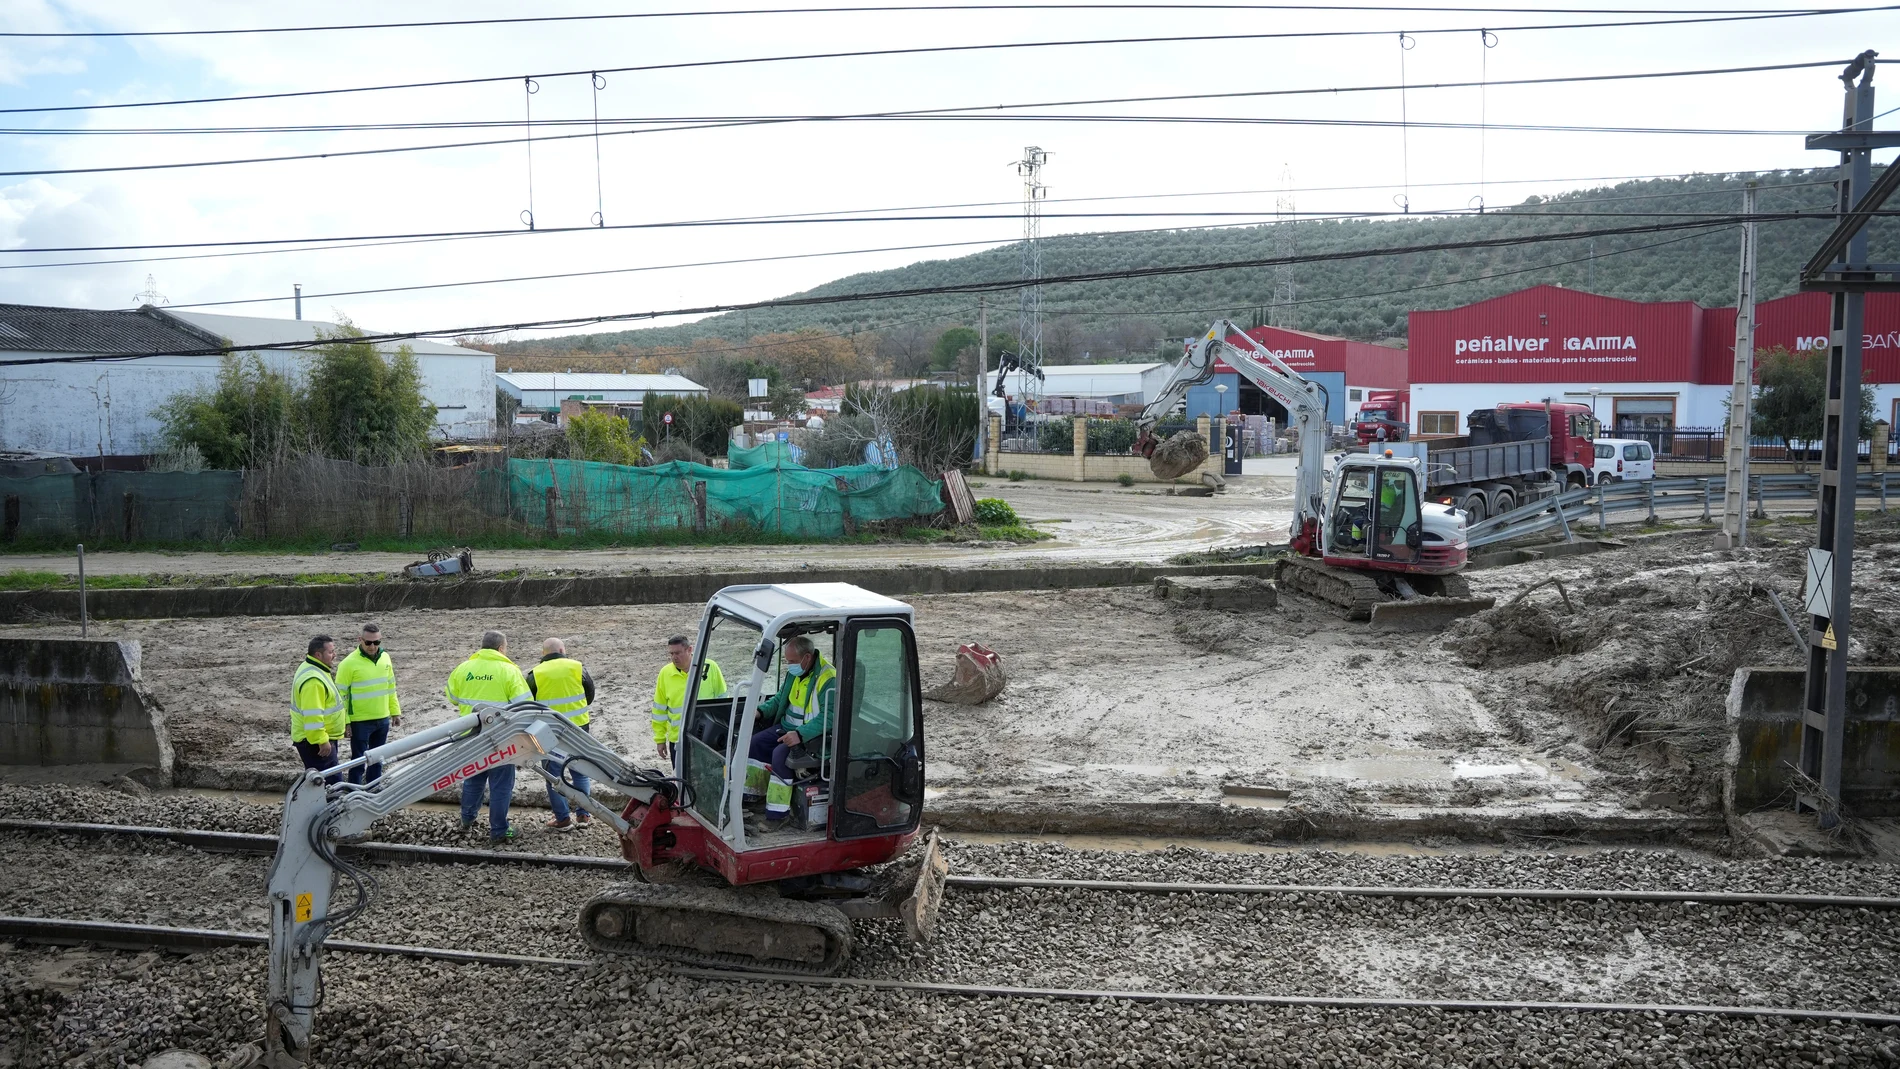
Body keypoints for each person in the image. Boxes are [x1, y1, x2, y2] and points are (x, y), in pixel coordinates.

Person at [445, 630, 532, 844]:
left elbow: (453, 697)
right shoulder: (509, 671)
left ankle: (467, 820)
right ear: (501, 648)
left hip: (470, 736)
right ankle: (499, 830)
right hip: (500, 738)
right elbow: (524, 704)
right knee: (501, 785)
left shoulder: (463, 668)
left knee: (473, 778)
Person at [744, 635, 836, 833]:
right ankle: (755, 797)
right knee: (755, 743)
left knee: (780, 754)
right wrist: (760, 711)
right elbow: (779, 699)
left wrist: (800, 735)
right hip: (787, 728)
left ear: (807, 657)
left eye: (792, 661)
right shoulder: (796, 672)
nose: (789, 665)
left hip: (812, 738)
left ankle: (778, 815)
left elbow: (830, 717)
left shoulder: (828, 679)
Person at [525, 637, 597, 832]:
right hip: (579, 728)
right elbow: (590, 695)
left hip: (548, 730)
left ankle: (563, 819)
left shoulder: (535, 674)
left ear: (543, 653)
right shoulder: (578, 667)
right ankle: (584, 814)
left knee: (553, 774)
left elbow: (526, 703)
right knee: (580, 772)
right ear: (563, 650)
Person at [335, 622, 401, 786]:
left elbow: (390, 687)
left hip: (382, 719)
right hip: (360, 722)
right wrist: (346, 721)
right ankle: (354, 793)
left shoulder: (385, 658)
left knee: (377, 760)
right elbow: (340, 696)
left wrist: (395, 711)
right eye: (368, 642)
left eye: (376, 642)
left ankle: (373, 792)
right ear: (360, 640)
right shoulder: (348, 664)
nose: (372, 646)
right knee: (358, 762)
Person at [651, 633, 727, 763]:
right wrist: (660, 739)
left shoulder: (711, 668)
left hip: (707, 738)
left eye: (678, 653)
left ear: (690, 650)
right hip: (678, 740)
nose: (674, 657)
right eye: (671, 654)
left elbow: (723, 699)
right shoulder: (665, 673)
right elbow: (659, 710)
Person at [290, 634, 344, 776]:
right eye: (331, 652)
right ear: (318, 654)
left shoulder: (313, 668)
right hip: (316, 743)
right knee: (330, 784)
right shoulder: (313, 680)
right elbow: (312, 715)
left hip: (318, 739)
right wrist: (321, 740)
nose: (335, 655)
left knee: (324, 783)